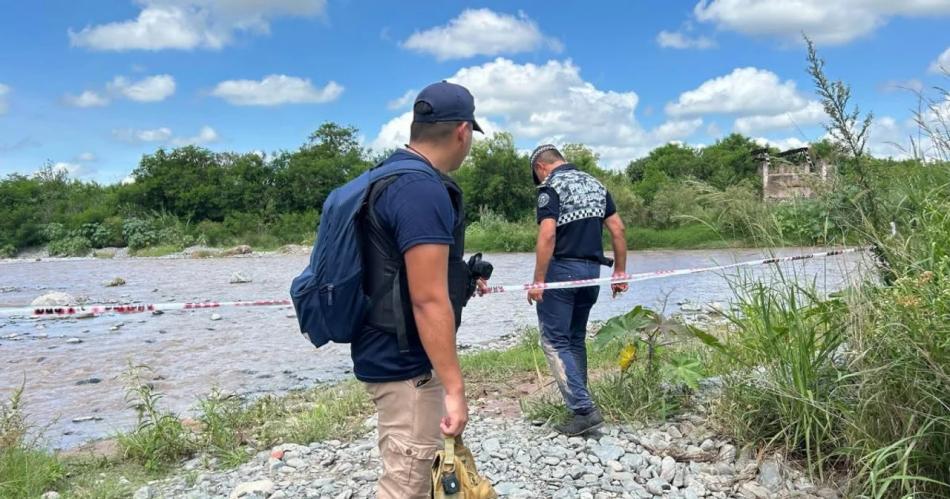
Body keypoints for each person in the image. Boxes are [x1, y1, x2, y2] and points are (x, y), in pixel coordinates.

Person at [353, 81, 485, 498]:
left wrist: (461, 278)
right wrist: (455, 390)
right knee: (405, 486)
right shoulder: (421, 189)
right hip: (405, 364)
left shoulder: (390, 175)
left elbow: (396, 269)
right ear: (463, 131)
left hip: (383, 346)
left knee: (417, 472)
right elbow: (427, 299)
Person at [526, 144, 628, 436]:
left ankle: (583, 410)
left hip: (561, 272)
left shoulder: (551, 187)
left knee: (554, 341)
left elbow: (547, 234)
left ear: (540, 168)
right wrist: (619, 271)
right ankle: (582, 404)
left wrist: (538, 280)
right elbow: (618, 229)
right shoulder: (596, 184)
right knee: (574, 339)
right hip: (591, 274)